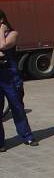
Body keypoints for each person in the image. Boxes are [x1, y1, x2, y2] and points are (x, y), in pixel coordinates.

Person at [0, 9, 38, 149]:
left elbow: (3, 45)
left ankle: (27, 136)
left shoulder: (13, 34)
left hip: (10, 75)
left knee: (17, 107)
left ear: (2, 20)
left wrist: (1, 31)